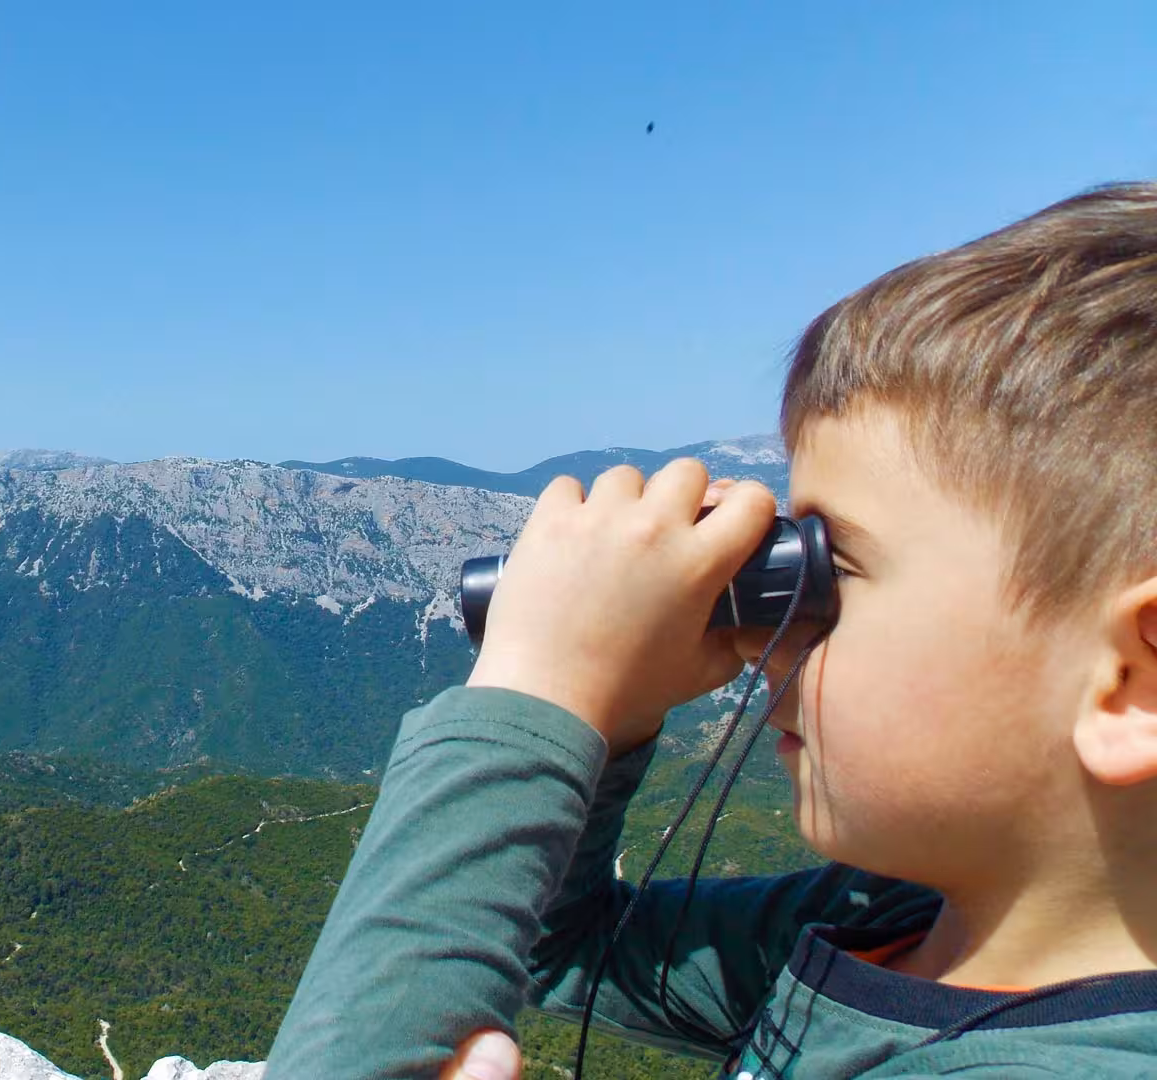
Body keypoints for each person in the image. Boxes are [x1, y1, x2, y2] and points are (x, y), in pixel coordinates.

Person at [263, 183, 1157, 1078]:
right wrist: (612, 710)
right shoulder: (891, 919)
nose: (778, 629)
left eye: (829, 570)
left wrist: (533, 690)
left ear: (1131, 682)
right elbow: (563, 945)